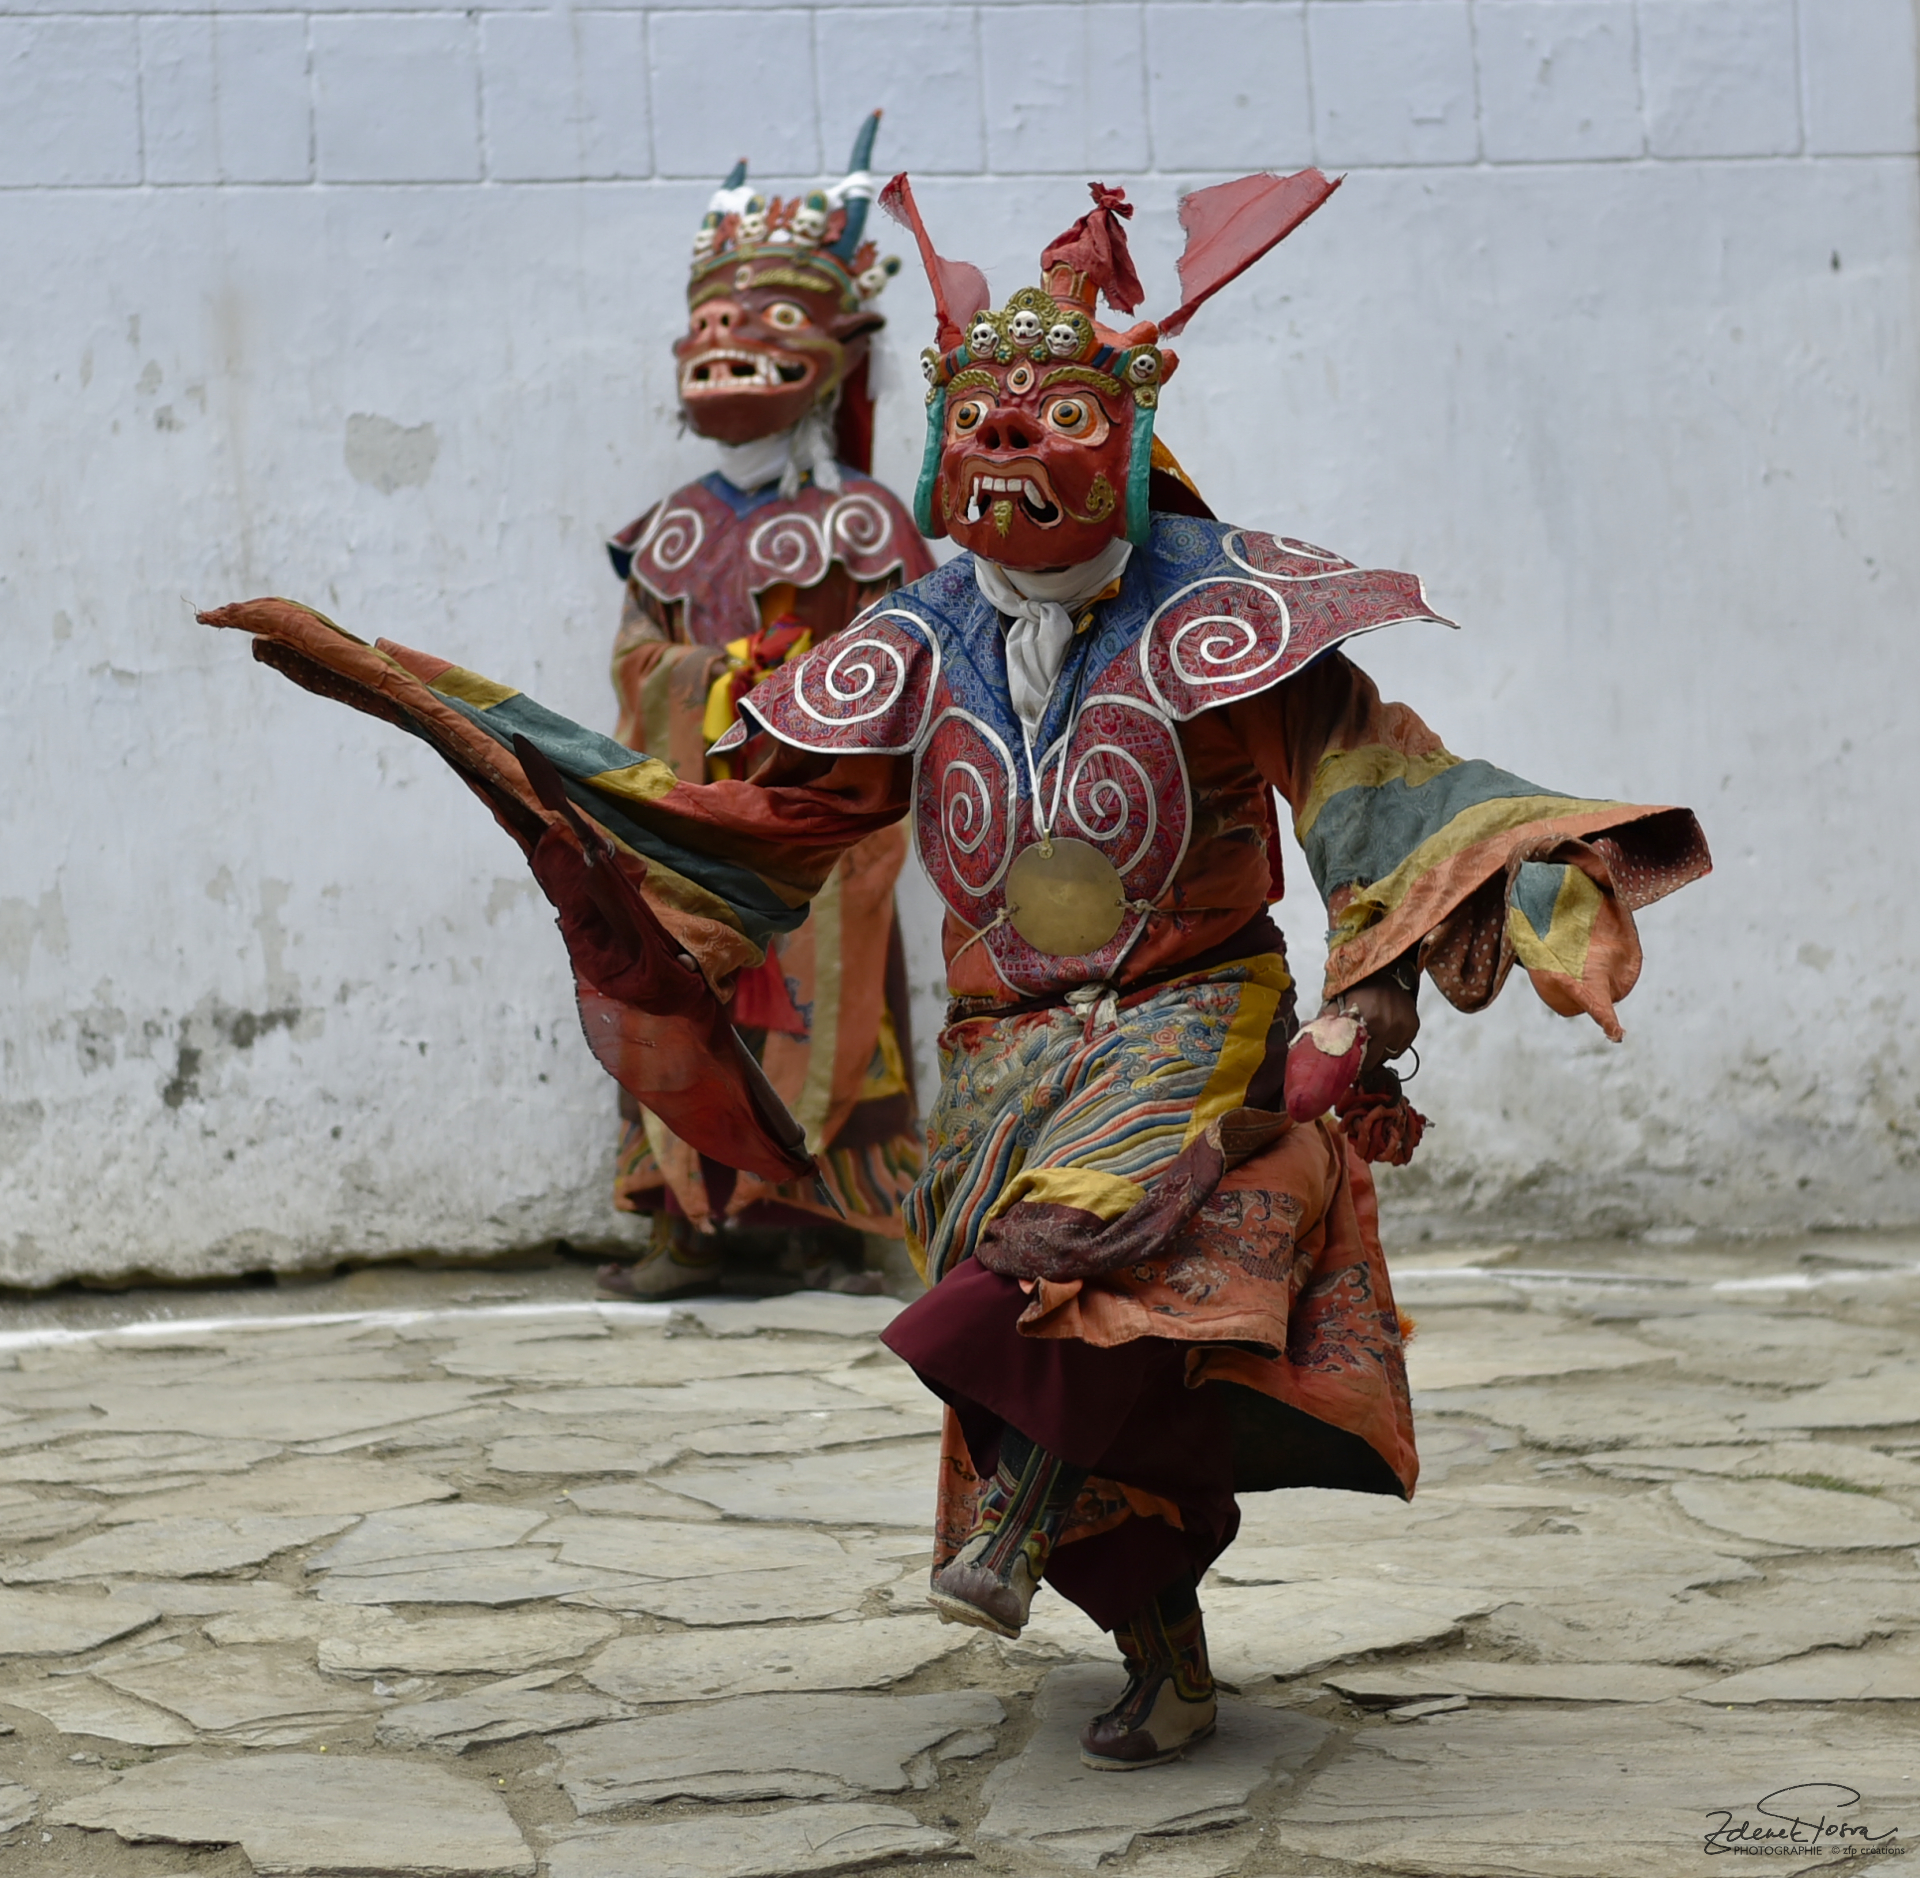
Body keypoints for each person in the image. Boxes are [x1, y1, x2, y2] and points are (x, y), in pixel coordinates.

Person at [203, 165, 1708, 1768]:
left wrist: (1369, 997)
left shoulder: (1228, 616)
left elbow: (1388, 798)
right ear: (936, 441)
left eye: (1055, 413)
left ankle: (1034, 1530)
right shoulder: (916, 634)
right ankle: (1160, 1641)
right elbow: (759, 817)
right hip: (1000, 1050)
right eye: (981, 415)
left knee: (1062, 1268)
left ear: (1126, 441)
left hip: (1188, 1015)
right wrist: (481, 727)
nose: (1008, 441)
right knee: (1065, 1356)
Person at [598, 113, 934, 1300]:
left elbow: (914, 661)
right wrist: (713, 680)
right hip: (697, 818)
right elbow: (639, 657)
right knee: (680, 991)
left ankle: (852, 1218)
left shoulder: (869, 525)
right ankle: (691, 1223)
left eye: (775, 325)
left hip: (820, 828)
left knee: (838, 999)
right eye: (711, 325)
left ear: (840, 352)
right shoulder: (675, 525)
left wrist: (807, 690)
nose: (729, 344)